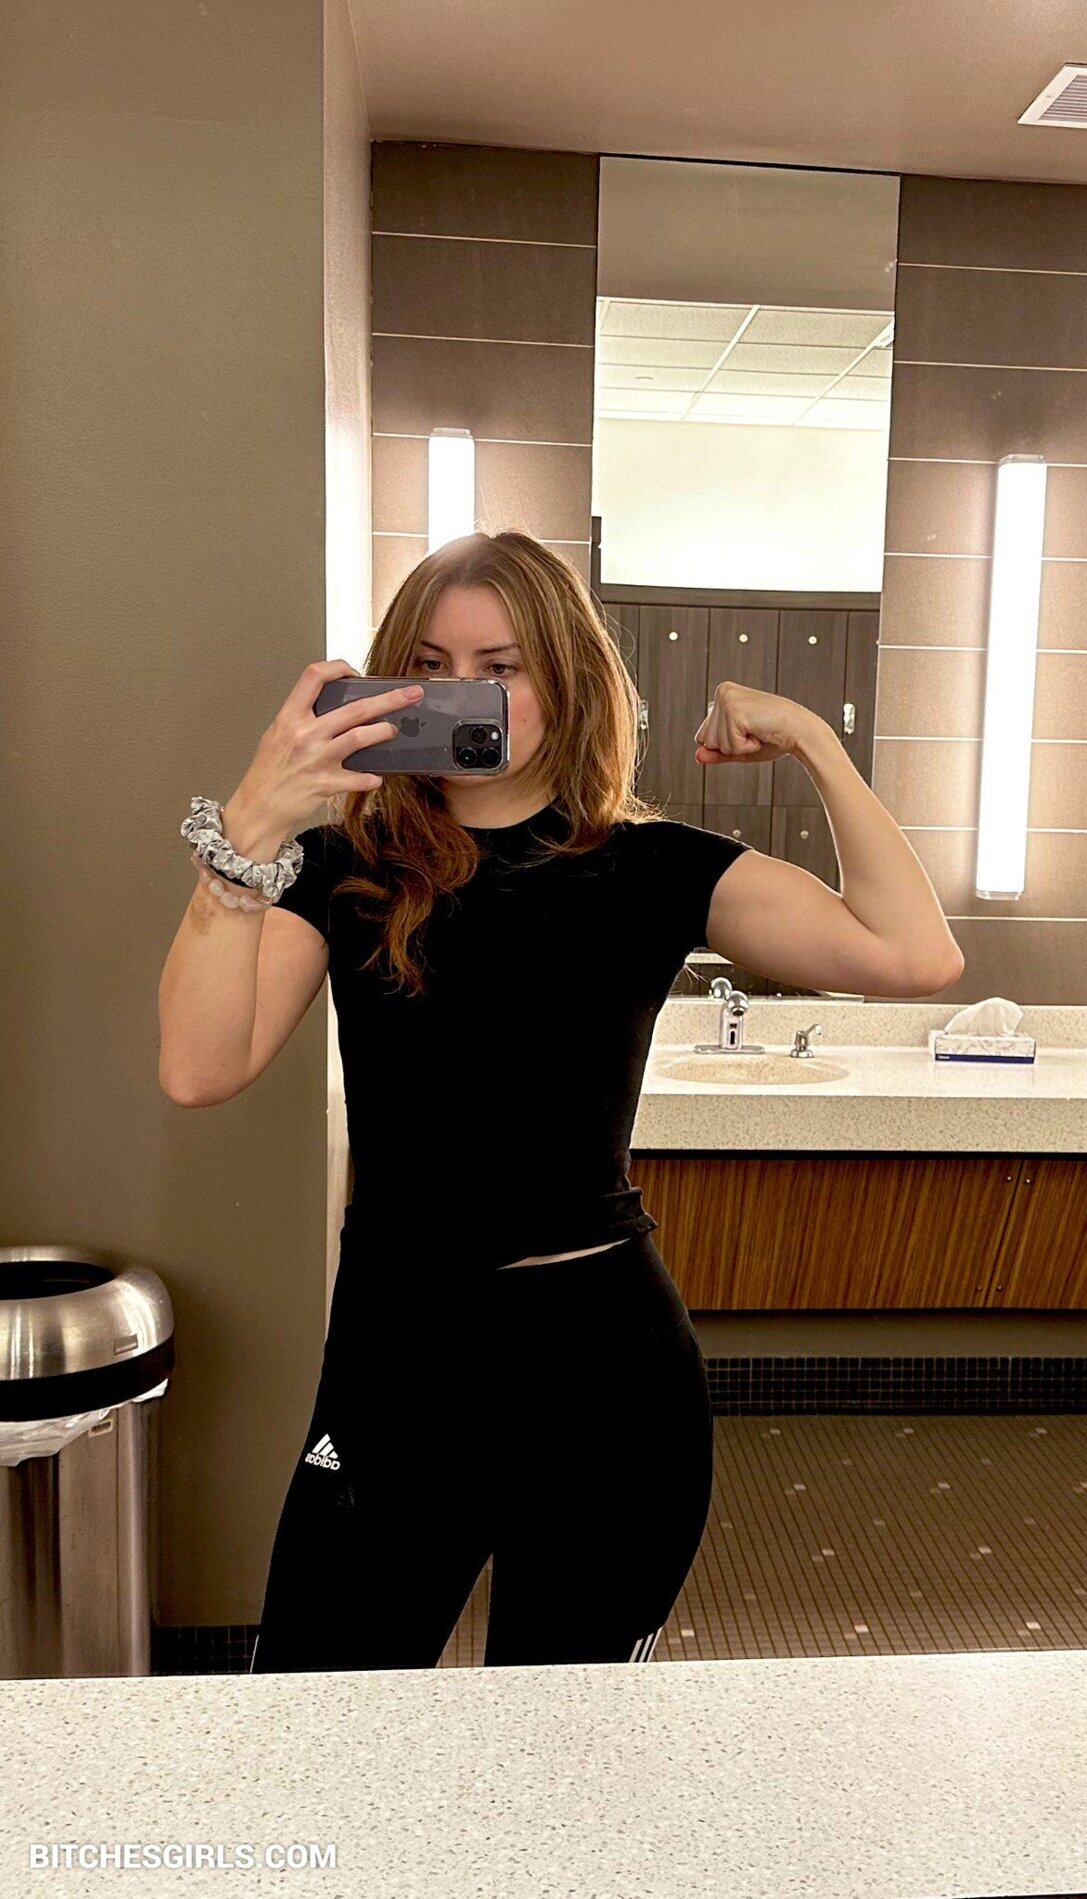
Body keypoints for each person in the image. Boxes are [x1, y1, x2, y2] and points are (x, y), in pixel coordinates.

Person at [158, 529, 964, 1672]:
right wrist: (250, 823)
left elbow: (914, 955)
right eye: (433, 666)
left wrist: (813, 742)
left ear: (570, 680)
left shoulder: (655, 867)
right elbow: (199, 1068)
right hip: (399, 1359)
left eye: (504, 667)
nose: (467, 694)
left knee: (569, 1745)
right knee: (315, 1714)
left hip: (606, 1370)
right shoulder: (341, 867)